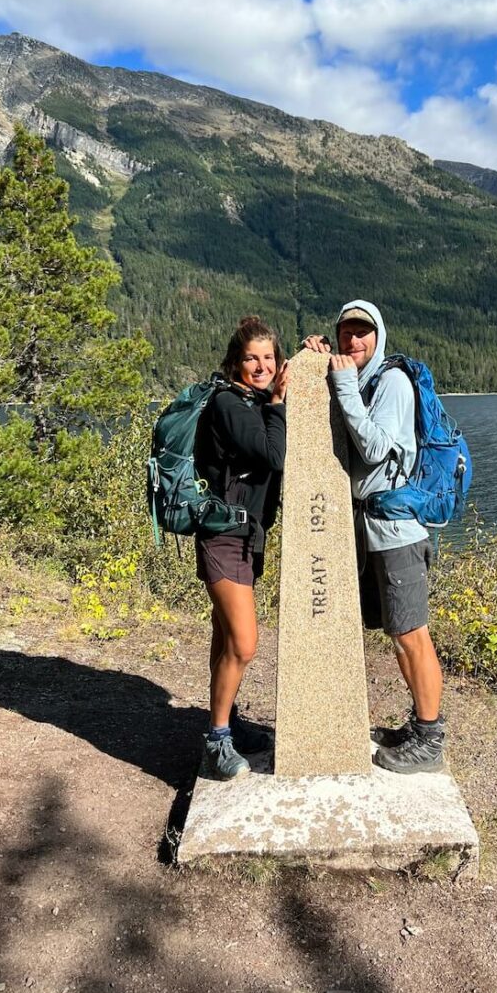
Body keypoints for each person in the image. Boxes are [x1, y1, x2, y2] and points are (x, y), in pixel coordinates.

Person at [303, 299, 446, 774]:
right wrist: (318, 362)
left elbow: (373, 445)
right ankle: (417, 725)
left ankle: (430, 739)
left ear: (378, 336)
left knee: (412, 634)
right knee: (398, 632)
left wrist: (340, 381)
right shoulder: (363, 381)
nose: (353, 341)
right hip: (373, 531)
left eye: (362, 332)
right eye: (345, 333)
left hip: (398, 531)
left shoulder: (393, 383)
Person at [193, 315, 289, 780]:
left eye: (269, 357)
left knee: (226, 638)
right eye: (252, 357)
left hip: (245, 539)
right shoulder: (231, 404)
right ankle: (217, 741)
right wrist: (279, 404)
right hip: (224, 538)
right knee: (245, 644)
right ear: (235, 360)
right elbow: (272, 455)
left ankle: (225, 723)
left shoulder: (248, 401)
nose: (261, 365)